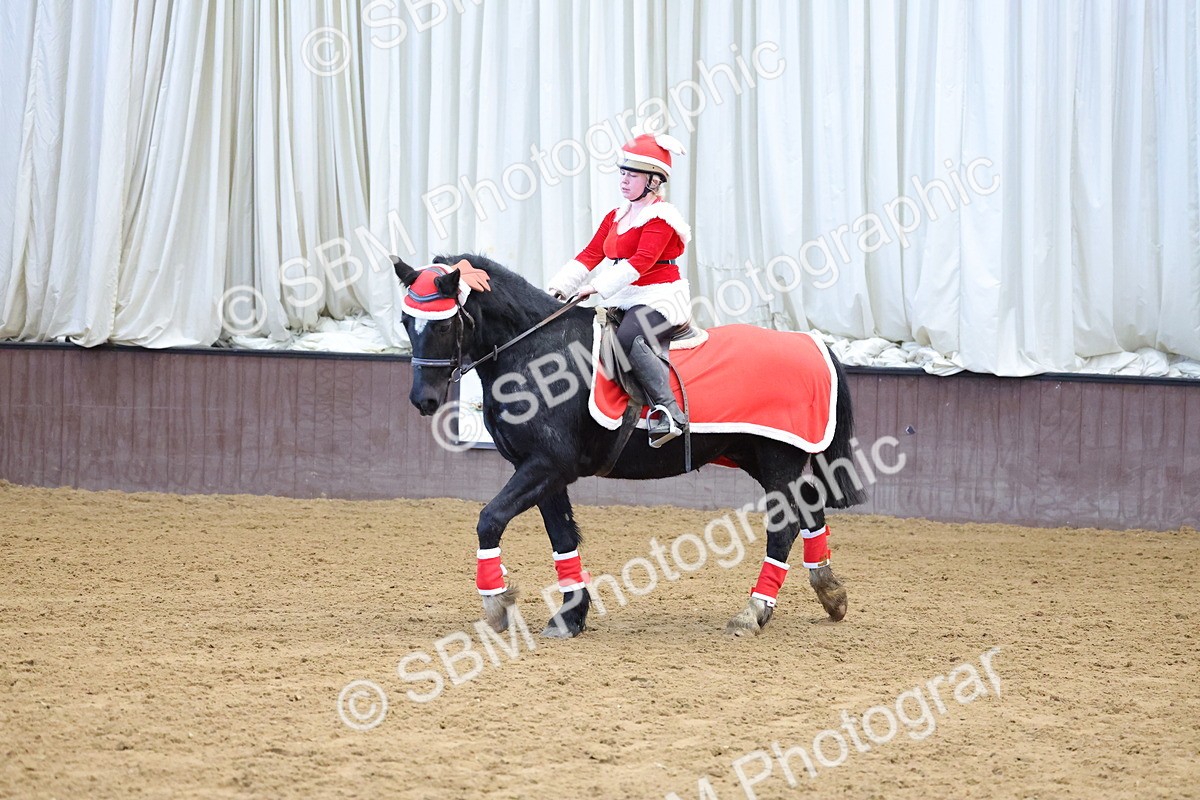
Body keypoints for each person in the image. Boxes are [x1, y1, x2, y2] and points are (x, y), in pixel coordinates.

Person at [547, 133, 693, 448]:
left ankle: (669, 411)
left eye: (633, 175)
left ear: (654, 181)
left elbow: (641, 262)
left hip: (660, 295)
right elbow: (590, 254)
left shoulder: (663, 217)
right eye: (622, 173)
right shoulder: (616, 216)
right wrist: (558, 288)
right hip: (627, 296)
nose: (624, 180)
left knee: (628, 337)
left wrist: (595, 288)